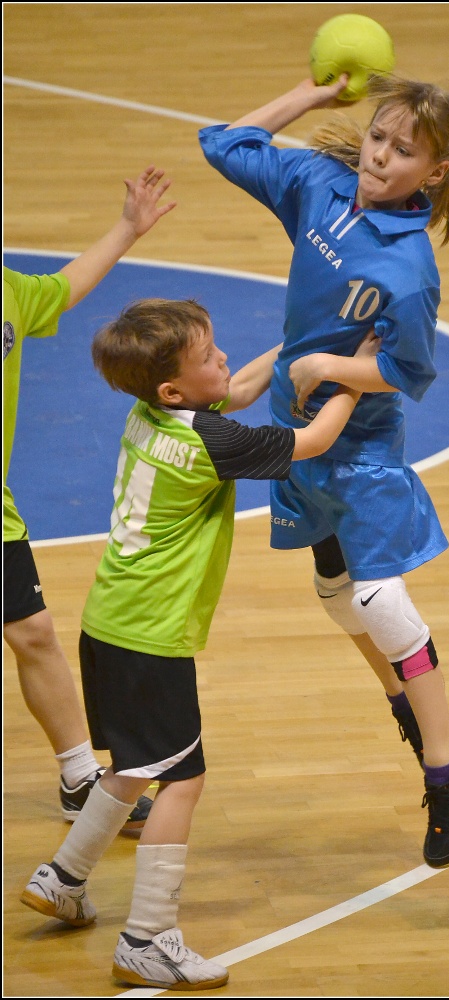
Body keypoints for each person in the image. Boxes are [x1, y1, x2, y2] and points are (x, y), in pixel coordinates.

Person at [21, 297, 373, 990]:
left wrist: (298, 345)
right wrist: (355, 376)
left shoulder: (146, 414)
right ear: (173, 390)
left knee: (134, 766)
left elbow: (233, 390)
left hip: (109, 623)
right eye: (209, 356)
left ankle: (63, 878)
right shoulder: (209, 444)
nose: (224, 359)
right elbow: (312, 442)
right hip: (150, 638)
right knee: (182, 779)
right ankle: (147, 939)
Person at [198, 73, 449, 869]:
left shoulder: (408, 269)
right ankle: (409, 705)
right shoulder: (319, 184)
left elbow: (406, 370)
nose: (380, 156)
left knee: (376, 598)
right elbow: (222, 143)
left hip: (359, 449)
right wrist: (308, 94)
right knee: (335, 598)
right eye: (377, 136)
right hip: (295, 431)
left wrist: (330, 365)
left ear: (434, 171)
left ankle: (447, 768)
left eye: (403, 151)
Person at [3, 166, 176, 832]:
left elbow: (64, 287)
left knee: (34, 632)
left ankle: (80, 778)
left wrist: (128, 228)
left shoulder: (9, 290)